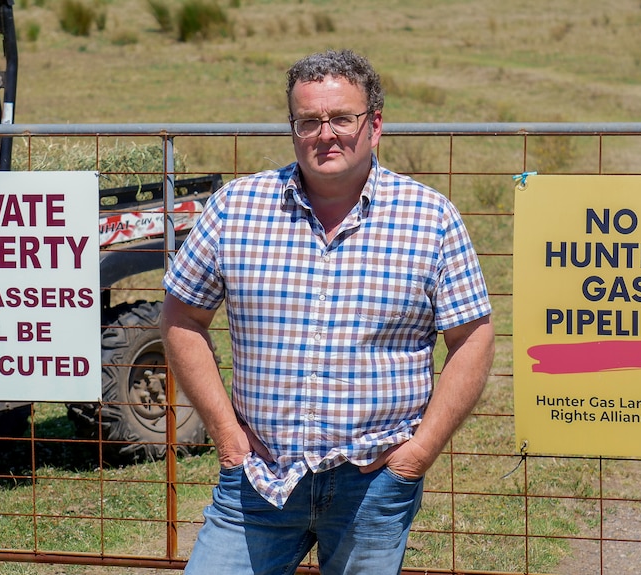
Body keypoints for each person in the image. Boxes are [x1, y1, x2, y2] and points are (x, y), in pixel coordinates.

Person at [160, 49, 494, 575]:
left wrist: (416, 456)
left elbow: (473, 339)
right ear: (292, 127)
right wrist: (226, 437)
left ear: (375, 125)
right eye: (308, 121)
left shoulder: (430, 218)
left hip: (374, 482)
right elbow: (181, 317)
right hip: (258, 478)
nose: (325, 134)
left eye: (342, 118)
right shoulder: (236, 208)